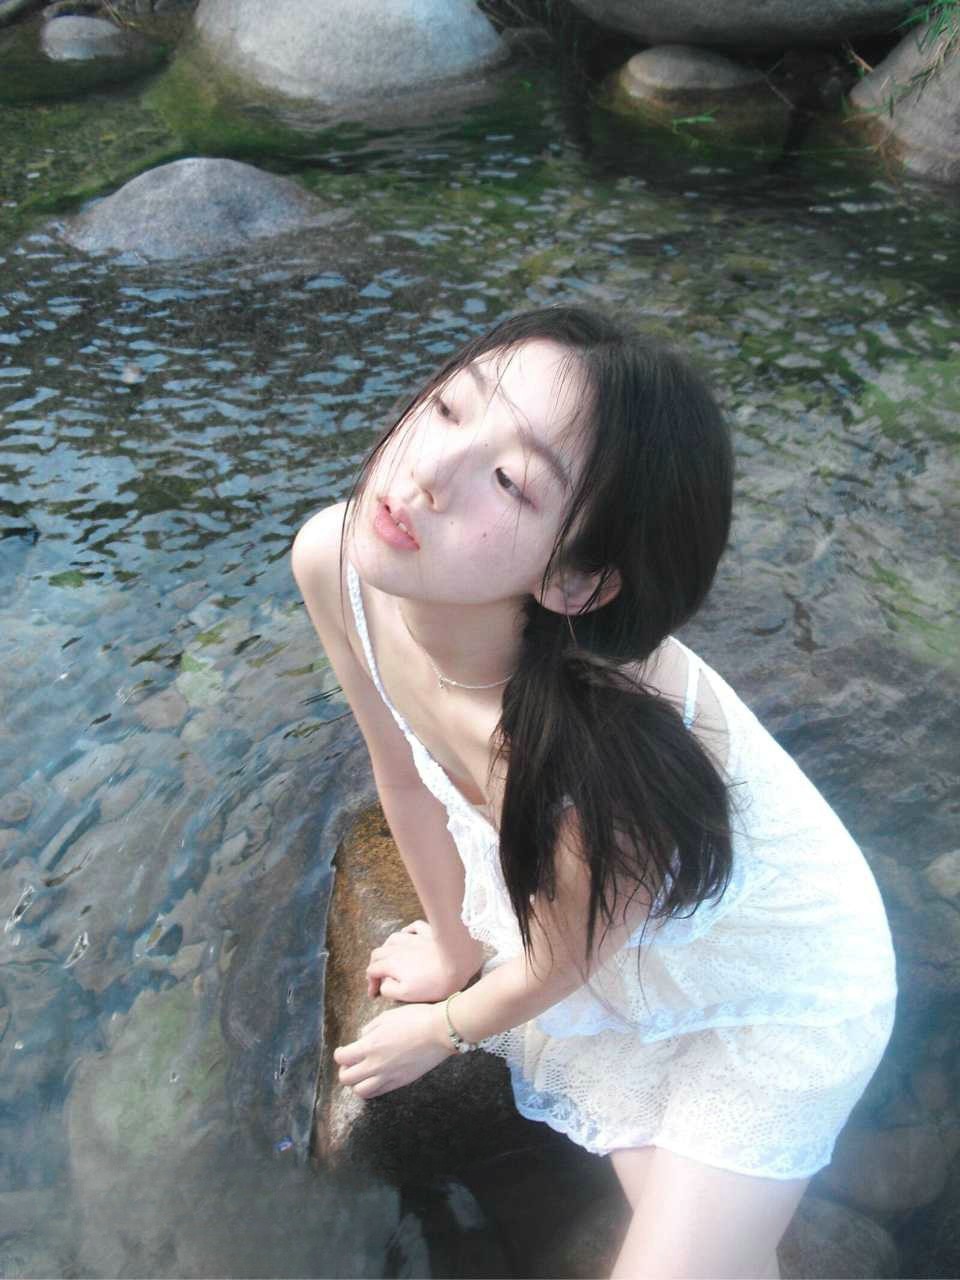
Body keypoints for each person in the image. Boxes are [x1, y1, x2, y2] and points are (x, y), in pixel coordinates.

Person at [290, 305, 897, 1278]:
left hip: (771, 982)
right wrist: (452, 944)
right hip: (605, 916)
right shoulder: (337, 557)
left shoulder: (594, 769)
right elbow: (398, 768)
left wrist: (440, 1031)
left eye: (508, 480)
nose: (425, 472)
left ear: (575, 581)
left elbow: (559, 967)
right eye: (449, 407)